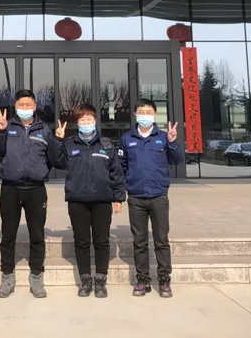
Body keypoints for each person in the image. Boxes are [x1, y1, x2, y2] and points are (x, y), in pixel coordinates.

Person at [52, 103, 125, 298]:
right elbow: (57, 162)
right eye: (82, 120)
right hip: (77, 200)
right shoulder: (70, 144)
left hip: (102, 200)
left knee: (101, 241)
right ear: (77, 122)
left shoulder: (106, 145)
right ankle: (85, 280)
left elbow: (116, 172)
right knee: (82, 241)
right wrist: (58, 140)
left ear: (95, 121)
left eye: (89, 119)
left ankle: (100, 280)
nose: (86, 123)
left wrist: (118, 197)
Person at [0, 89, 59, 299]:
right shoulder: (7, 126)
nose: (24, 108)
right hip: (10, 188)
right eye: (21, 105)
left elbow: (53, 159)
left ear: (35, 106)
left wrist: (40, 169)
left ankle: (36, 276)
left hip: (36, 190)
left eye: (28, 105)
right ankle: (7, 277)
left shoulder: (44, 129)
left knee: (37, 235)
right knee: (8, 235)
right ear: (15, 106)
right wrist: (0, 131)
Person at [119, 99, 183, 298]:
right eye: (141, 111)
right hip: (136, 197)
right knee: (139, 241)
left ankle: (164, 280)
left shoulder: (163, 137)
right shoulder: (126, 138)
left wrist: (172, 142)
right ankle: (143, 280)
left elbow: (178, 160)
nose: (144, 115)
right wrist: (124, 189)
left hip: (158, 196)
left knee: (161, 240)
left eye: (148, 112)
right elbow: (121, 166)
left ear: (155, 115)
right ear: (135, 115)